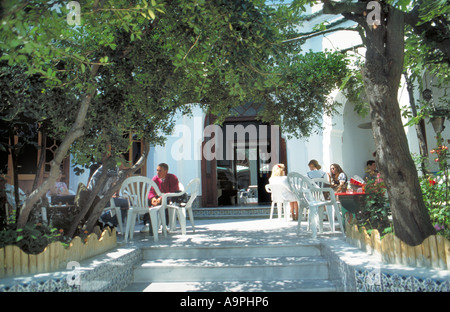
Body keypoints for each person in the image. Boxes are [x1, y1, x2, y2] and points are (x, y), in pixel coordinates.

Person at [142, 163, 180, 233]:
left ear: (166, 171)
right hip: (157, 197)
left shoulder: (173, 177)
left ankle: (165, 224)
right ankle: (147, 223)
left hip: (170, 197)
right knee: (148, 201)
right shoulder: (155, 178)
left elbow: (172, 191)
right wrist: (153, 198)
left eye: (160, 171)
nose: (157, 172)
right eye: (157, 170)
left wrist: (161, 198)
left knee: (166, 202)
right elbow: (151, 191)